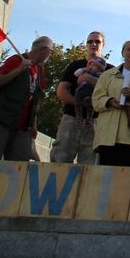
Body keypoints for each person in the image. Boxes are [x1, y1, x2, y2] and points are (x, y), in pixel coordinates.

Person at [0, 35, 52, 161]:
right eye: (50, 52)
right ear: (44, 50)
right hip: (1, 120)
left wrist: (34, 124)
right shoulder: (16, 60)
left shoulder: (40, 72)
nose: (49, 56)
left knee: (19, 167)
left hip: (23, 127)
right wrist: (19, 70)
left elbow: (35, 100)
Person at [51, 30, 106, 164]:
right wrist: (79, 103)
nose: (93, 44)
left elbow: (111, 92)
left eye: (97, 41)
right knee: (60, 159)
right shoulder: (75, 66)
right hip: (71, 118)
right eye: (90, 41)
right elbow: (61, 91)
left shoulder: (110, 70)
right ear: (87, 45)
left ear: (103, 45)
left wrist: (89, 79)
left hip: (95, 121)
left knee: (90, 164)